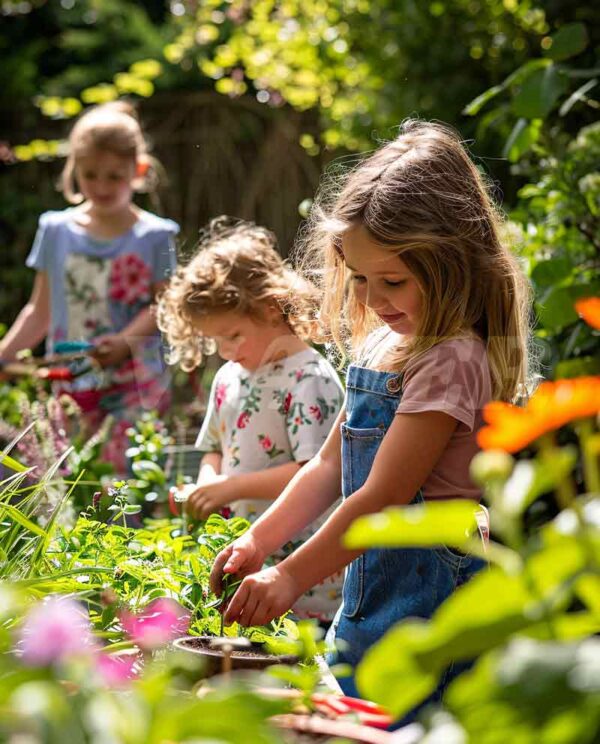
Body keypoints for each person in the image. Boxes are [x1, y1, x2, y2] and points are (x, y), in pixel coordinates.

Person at [208, 120, 532, 715]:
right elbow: (328, 467)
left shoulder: (451, 358)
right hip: (373, 595)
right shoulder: (384, 342)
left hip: (428, 608)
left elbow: (383, 495)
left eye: (393, 281)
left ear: (452, 262)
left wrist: (289, 577)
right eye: (359, 279)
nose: (372, 299)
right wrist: (261, 540)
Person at [157, 217, 345, 623]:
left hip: (301, 563)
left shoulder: (308, 378)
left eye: (234, 335)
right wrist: (209, 485)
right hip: (245, 551)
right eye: (215, 341)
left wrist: (230, 487)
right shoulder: (229, 377)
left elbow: (316, 470)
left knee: (299, 652)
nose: (224, 351)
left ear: (271, 308)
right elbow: (213, 448)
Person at [0, 101, 178, 472]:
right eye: (90, 174)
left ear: (138, 170)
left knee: (124, 480)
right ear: (73, 170)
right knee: (74, 476)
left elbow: (165, 305)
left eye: (114, 176)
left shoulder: (157, 236)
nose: (101, 185)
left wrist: (123, 340)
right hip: (73, 382)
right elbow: (40, 309)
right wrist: (6, 353)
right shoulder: (55, 230)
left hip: (136, 383)